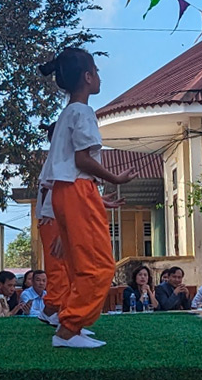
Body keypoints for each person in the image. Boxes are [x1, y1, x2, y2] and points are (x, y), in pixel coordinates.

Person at [38, 47, 132, 349]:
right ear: (88, 76)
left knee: (80, 264)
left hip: (68, 192)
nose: (100, 77)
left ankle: (71, 324)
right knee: (100, 265)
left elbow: (63, 170)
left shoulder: (67, 113)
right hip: (78, 190)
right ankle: (68, 329)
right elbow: (81, 160)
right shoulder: (83, 112)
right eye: (97, 71)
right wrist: (114, 178)